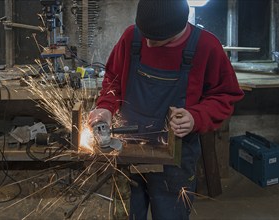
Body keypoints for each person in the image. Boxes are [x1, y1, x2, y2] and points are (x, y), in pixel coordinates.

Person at [89, 0, 244, 219]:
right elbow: (113, 79)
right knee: (126, 214)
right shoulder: (131, 37)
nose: (150, 45)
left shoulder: (206, 46)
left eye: (158, 39)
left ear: (180, 26)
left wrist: (196, 117)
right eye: (146, 36)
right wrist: (105, 107)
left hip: (175, 157)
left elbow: (226, 95)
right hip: (126, 149)